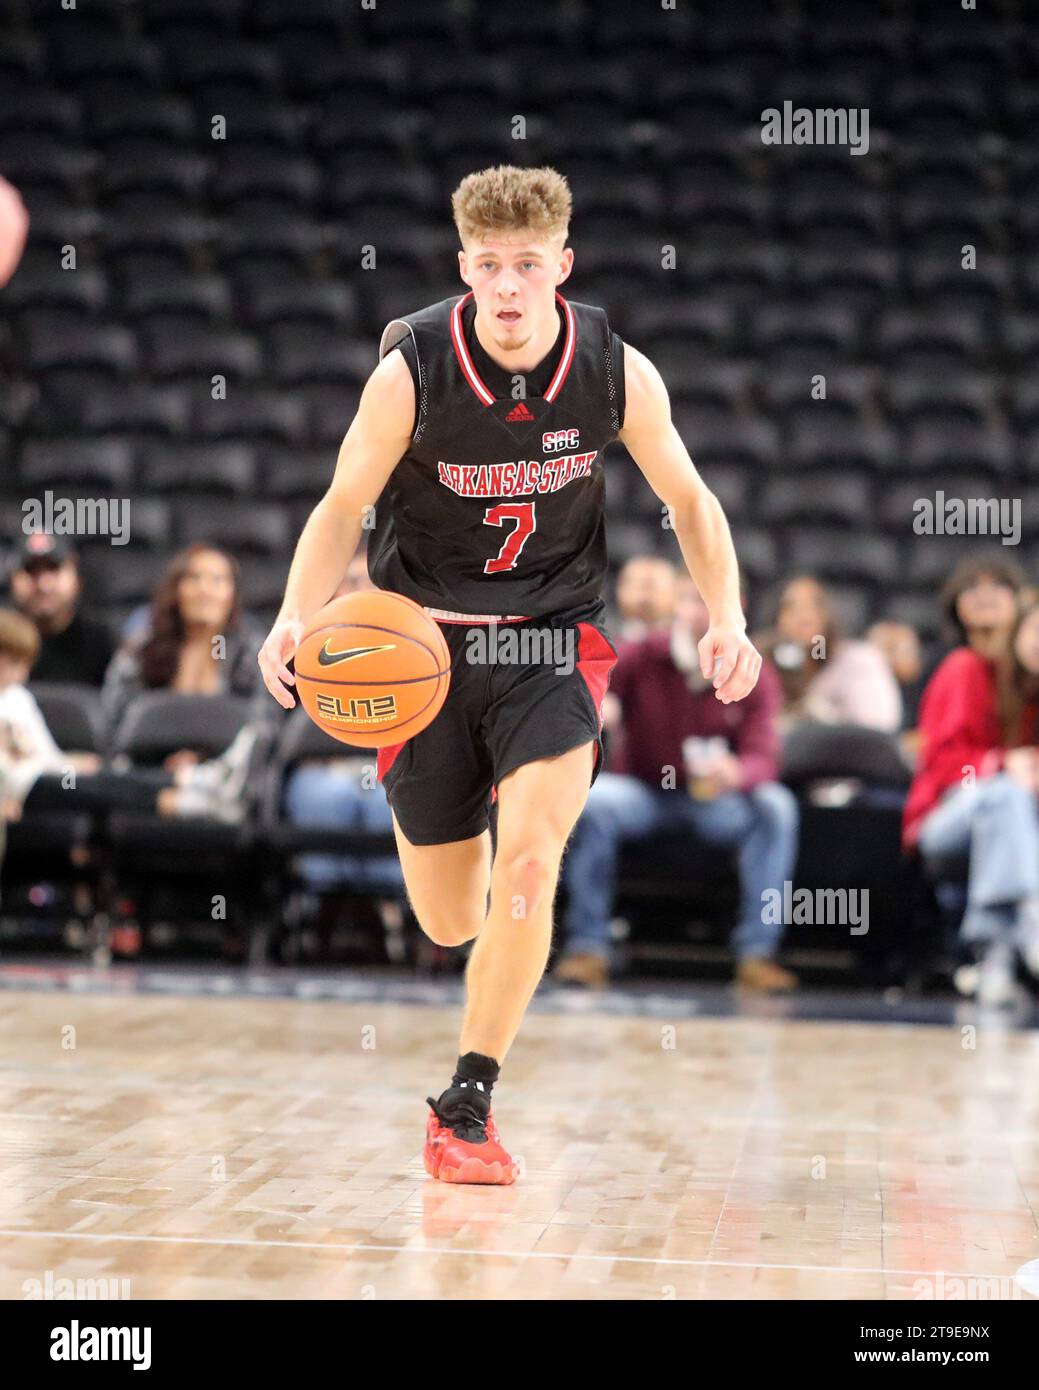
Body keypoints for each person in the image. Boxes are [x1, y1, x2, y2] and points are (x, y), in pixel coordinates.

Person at [257, 165, 762, 1185]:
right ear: (463, 269)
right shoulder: (410, 369)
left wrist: (729, 615)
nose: (508, 287)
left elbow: (692, 500)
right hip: (426, 653)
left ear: (561, 268)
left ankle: (468, 1099)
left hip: (550, 643)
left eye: (528, 265)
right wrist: (292, 615)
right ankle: (487, 928)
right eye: (488, 266)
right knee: (455, 916)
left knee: (533, 865)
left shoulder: (615, 368)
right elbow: (339, 505)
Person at [557, 575, 798, 990]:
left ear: (733, 606)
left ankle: (758, 955)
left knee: (775, 807)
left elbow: (765, 754)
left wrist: (738, 772)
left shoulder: (753, 668)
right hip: (645, 792)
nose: (699, 611)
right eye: (692, 600)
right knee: (594, 803)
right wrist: (600, 707)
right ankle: (587, 948)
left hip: (714, 800)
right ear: (678, 606)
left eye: (711, 600)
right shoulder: (643, 655)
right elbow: (596, 689)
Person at [0, 608, 254, 830]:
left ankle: (197, 779)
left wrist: (71, 762)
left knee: (111, 776)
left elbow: (43, 754)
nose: (19, 675)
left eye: (24, 665)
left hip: (41, 777)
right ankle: (192, 802)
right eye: (11, 663)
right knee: (96, 789)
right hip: (24, 788)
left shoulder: (18, 697)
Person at [904, 599, 1039, 1007]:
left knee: (1009, 805)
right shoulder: (968, 670)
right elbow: (936, 761)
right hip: (944, 818)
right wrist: (999, 763)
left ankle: (993, 959)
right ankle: (1033, 922)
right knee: (1003, 795)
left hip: (1013, 834)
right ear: (1017, 631)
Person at [102, 543, 271, 747]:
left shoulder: (252, 653)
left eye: (217, 580)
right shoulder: (142, 649)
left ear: (233, 593)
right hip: (151, 764)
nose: (205, 590)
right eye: (193, 578)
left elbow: (264, 725)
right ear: (175, 590)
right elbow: (113, 719)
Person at [757, 576, 902, 733]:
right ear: (776, 619)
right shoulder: (765, 668)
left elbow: (877, 728)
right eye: (791, 607)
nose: (804, 617)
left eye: (814, 605)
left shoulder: (859, 660)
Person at [8, 534, 115, 687]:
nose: (44, 585)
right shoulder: (3, 642)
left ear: (76, 577)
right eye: (31, 571)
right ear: (12, 580)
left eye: (54, 568)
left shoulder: (103, 643)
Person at [613, 555, 676, 642]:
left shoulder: (683, 642)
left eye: (650, 586)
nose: (644, 596)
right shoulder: (607, 637)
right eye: (638, 587)